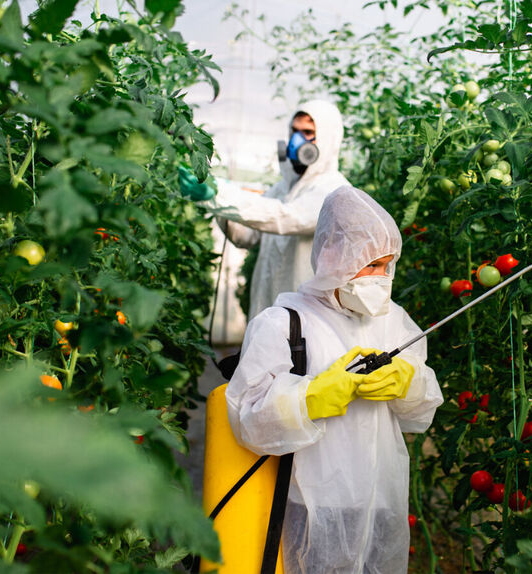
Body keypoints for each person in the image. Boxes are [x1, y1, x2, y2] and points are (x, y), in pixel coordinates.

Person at [225, 186, 444, 573]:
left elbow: (421, 412)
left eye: (387, 265)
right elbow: (248, 420)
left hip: (379, 496)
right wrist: (307, 399)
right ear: (331, 257)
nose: (381, 278)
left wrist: (409, 383)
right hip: (312, 500)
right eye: (370, 265)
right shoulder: (286, 323)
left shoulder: (393, 321)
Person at [179, 100, 350, 320]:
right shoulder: (283, 188)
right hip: (270, 307)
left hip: (308, 319)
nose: (297, 140)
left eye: (308, 132)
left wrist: (220, 193)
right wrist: (219, 204)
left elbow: (285, 217)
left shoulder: (335, 190)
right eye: (294, 131)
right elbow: (247, 236)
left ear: (328, 139)